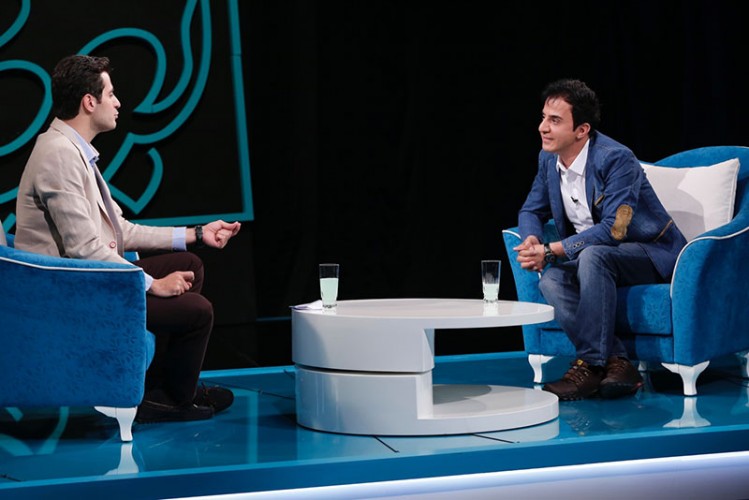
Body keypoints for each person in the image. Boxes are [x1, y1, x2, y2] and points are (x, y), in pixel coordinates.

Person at [15, 55, 242, 422]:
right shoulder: (58, 155)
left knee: (190, 263)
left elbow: (121, 230)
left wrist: (197, 234)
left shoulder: (73, 150)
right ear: (90, 102)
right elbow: (84, 250)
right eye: (111, 94)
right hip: (67, 292)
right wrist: (152, 284)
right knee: (198, 312)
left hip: (86, 278)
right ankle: (170, 399)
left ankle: (163, 387)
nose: (118, 102)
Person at [513, 78, 687, 401]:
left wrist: (551, 249)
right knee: (551, 280)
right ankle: (617, 362)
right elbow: (530, 209)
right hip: (594, 257)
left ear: (582, 130)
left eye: (555, 120)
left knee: (593, 255)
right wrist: (531, 240)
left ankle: (590, 366)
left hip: (651, 252)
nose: (542, 128)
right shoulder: (548, 160)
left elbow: (614, 231)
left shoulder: (616, 159)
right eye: (543, 118)